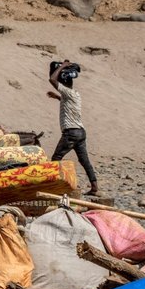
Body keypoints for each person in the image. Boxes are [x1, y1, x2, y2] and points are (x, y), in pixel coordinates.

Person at [47, 60, 99, 196]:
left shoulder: (67, 92)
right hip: (80, 132)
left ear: (64, 84)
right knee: (84, 160)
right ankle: (94, 186)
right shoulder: (74, 94)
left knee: (56, 158)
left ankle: (53, 186)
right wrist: (56, 97)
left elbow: (52, 79)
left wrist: (63, 66)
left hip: (71, 132)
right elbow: (67, 103)